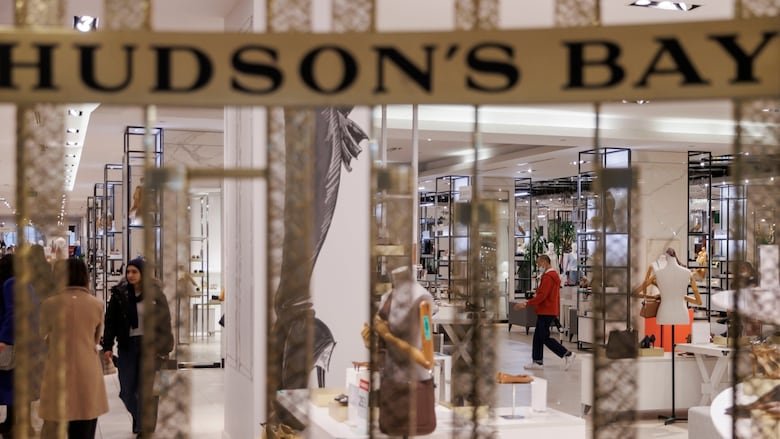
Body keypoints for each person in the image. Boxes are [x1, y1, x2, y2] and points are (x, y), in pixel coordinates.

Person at [101, 258, 173, 437]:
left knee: (150, 390)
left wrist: (165, 347)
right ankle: (140, 419)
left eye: (135, 272)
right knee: (127, 390)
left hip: (152, 347)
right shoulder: (119, 295)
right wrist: (108, 345)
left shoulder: (156, 295)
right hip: (127, 346)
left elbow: (166, 322)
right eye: (128, 272)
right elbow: (110, 321)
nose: (130, 275)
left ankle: (145, 427)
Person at [39, 259, 108, 439]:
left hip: (58, 368)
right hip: (88, 368)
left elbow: (43, 336)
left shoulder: (49, 304)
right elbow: (96, 337)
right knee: (86, 422)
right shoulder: (97, 304)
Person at [514, 254, 576, 371]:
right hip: (548, 310)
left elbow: (543, 295)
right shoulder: (552, 276)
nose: (538, 266)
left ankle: (567, 354)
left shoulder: (548, 277)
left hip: (546, 310)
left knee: (544, 337)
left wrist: (527, 303)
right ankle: (537, 361)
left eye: (538, 263)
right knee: (538, 337)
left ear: (544, 262)